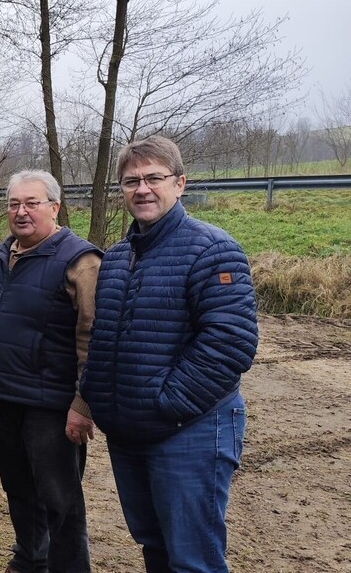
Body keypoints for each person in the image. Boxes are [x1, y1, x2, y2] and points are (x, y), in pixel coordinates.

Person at [80, 135, 258, 573]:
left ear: (180, 183)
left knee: (192, 556)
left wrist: (166, 403)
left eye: (154, 178)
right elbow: (105, 335)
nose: (142, 189)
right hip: (130, 431)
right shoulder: (119, 256)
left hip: (190, 428)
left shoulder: (212, 248)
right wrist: (98, 399)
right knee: (153, 544)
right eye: (130, 181)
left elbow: (230, 341)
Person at [0, 170, 101, 573]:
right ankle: (31, 560)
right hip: (6, 396)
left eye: (32, 203)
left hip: (54, 404)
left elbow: (94, 335)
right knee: (19, 491)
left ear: (55, 207)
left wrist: (84, 403)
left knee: (60, 499)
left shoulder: (80, 260)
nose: (21, 212)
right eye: (13, 204)